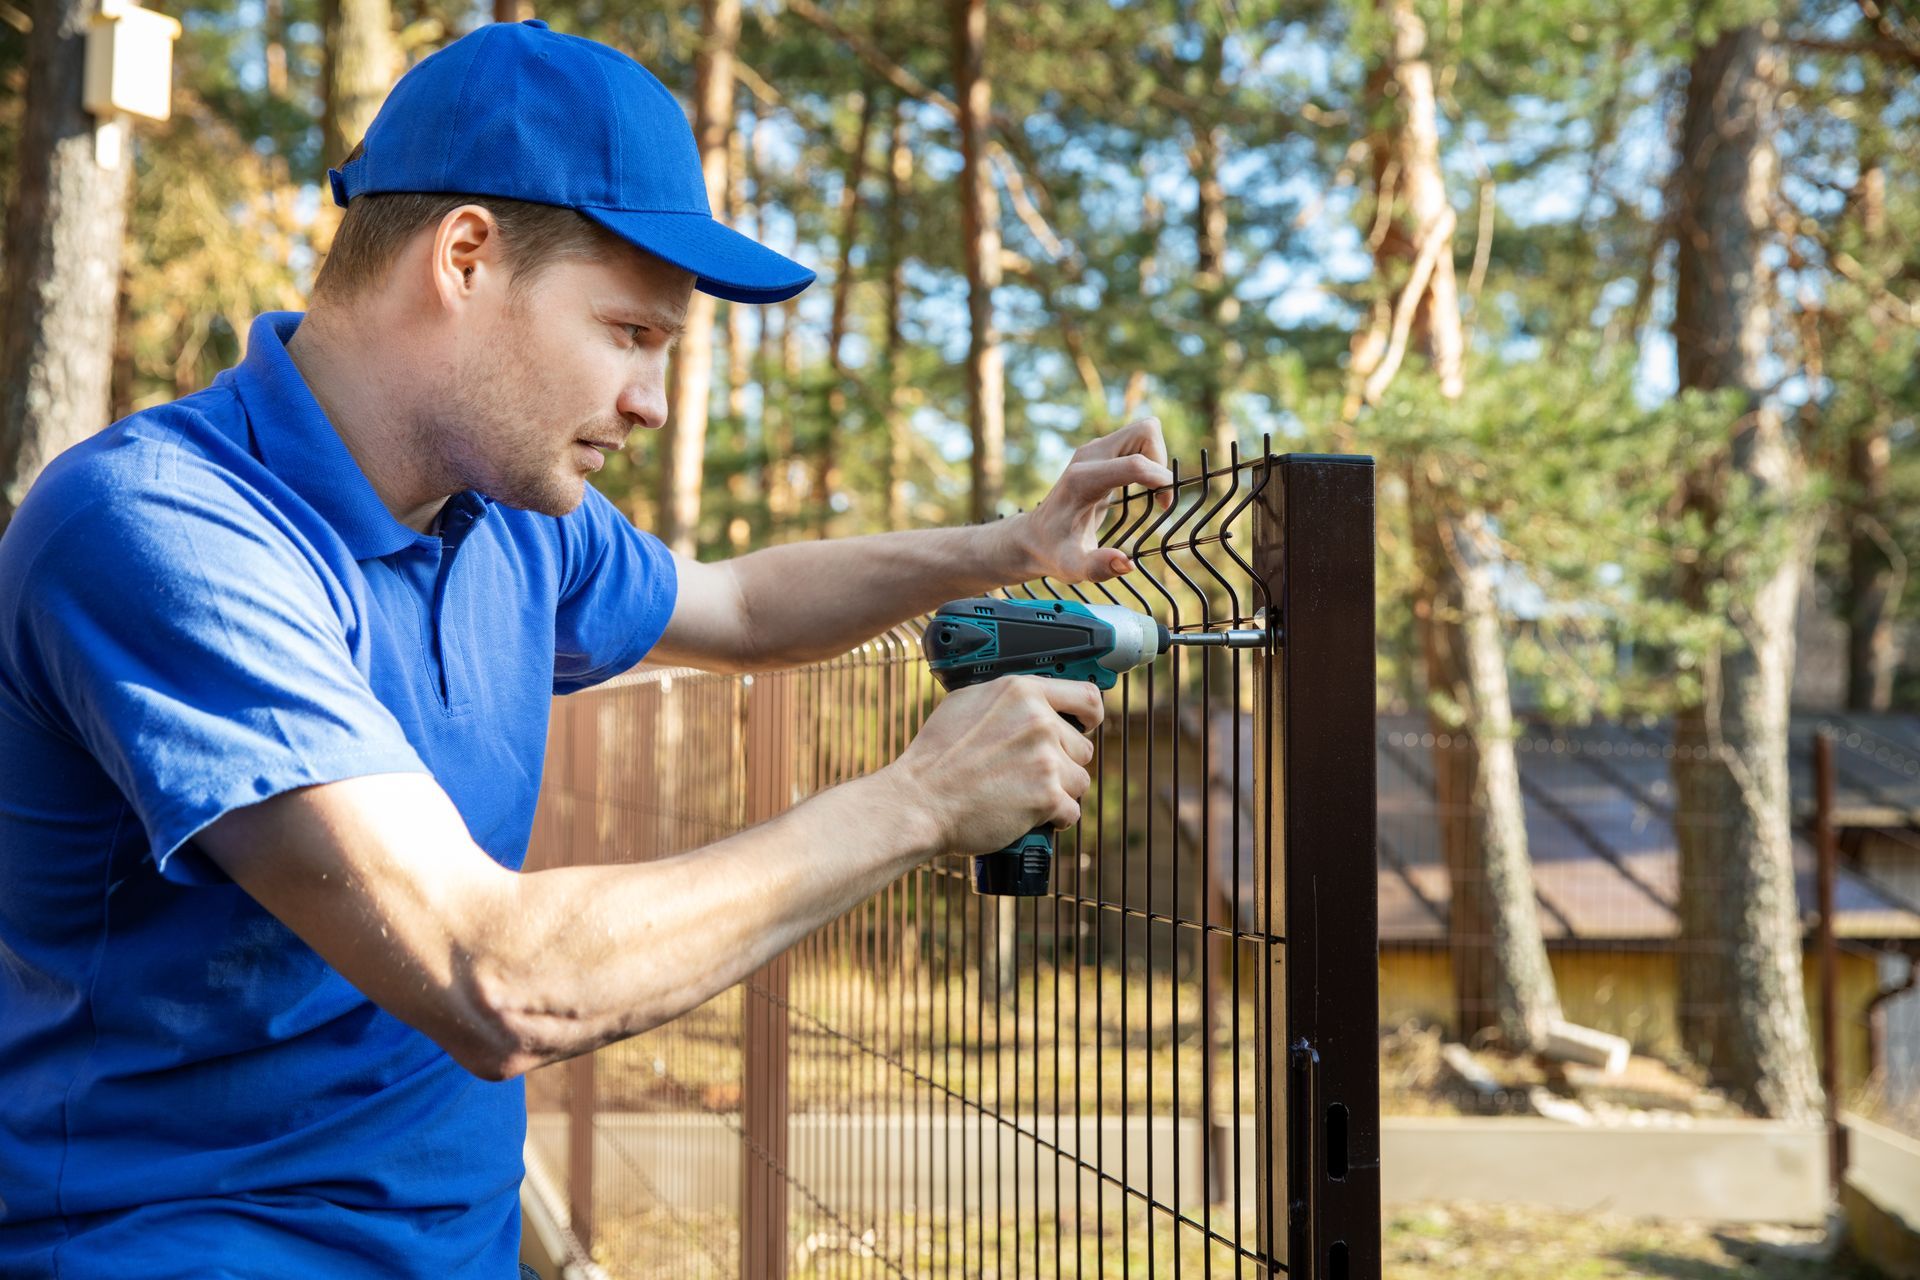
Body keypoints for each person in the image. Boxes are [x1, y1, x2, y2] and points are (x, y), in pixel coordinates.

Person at [0, 18, 1174, 1278]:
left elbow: (740, 605)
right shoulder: (167, 530)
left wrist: (1006, 547)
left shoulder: (503, 516)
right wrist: (923, 798)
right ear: (465, 256)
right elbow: (488, 971)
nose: (653, 400)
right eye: (631, 332)